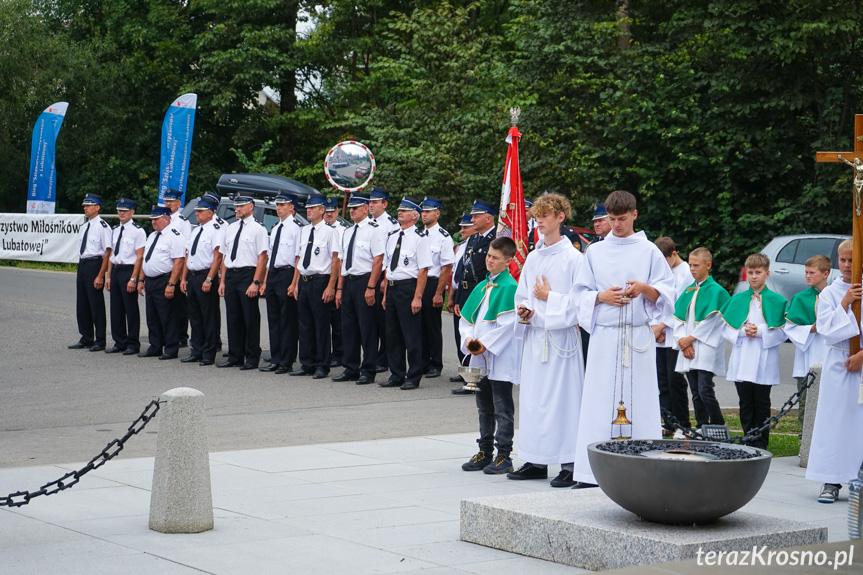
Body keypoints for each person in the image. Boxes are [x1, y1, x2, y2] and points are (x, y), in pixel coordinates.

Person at [572, 190, 674, 488]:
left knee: (641, 400)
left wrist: (644, 288)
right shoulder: (595, 251)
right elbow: (578, 294)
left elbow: (667, 295)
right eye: (611, 219)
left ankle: (645, 469)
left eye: (622, 218)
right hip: (605, 336)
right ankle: (591, 473)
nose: (616, 225)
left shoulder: (649, 251)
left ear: (634, 215)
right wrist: (600, 296)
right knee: (597, 400)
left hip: (637, 336)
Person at [511, 193, 585, 487]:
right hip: (535, 337)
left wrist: (548, 298)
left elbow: (580, 303)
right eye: (536, 215)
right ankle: (535, 458)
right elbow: (523, 294)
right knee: (534, 400)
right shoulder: (533, 256)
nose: (539, 220)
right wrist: (524, 310)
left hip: (561, 339)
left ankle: (570, 462)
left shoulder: (574, 259)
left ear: (560, 217)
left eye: (545, 215)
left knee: (564, 400)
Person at [806, 240, 863, 503]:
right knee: (835, 422)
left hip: (861, 361)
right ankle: (831, 480)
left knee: (858, 423)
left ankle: (858, 478)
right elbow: (826, 328)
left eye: (853, 259)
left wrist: (862, 354)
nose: (848, 265)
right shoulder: (829, 293)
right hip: (838, 361)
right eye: (843, 260)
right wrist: (845, 303)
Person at [460, 237, 520, 475]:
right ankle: (485, 450)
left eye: (495, 258)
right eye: (488, 256)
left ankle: (504, 455)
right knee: (483, 405)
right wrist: (468, 339)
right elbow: (467, 320)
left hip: (499, 356)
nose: (489, 261)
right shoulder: (482, 286)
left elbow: (509, 325)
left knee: (502, 406)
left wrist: (484, 344)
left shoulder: (510, 287)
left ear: (507, 262)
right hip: (479, 355)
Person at [720, 253, 788, 449]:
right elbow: (725, 327)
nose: (754, 276)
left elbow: (784, 331)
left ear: (767, 273)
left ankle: (761, 441)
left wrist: (760, 331)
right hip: (742, 356)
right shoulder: (738, 299)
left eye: (758, 272)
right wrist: (742, 332)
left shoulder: (777, 300)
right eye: (750, 272)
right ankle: (748, 439)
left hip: (764, 358)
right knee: (745, 401)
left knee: (761, 402)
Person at [673, 247, 730, 431]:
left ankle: (718, 423)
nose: (692, 269)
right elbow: (678, 318)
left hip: (705, 347)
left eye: (696, 265)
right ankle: (702, 425)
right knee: (695, 391)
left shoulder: (717, 291)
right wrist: (683, 341)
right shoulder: (689, 290)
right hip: (688, 347)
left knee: (705, 389)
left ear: (708, 265)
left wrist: (690, 339)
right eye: (690, 265)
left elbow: (713, 322)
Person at [333, 192, 385, 384]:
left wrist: (371, 286)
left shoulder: (374, 230)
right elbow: (342, 262)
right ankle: (350, 367)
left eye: (355, 208)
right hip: (349, 282)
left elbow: (378, 260)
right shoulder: (347, 232)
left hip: (365, 281)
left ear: (365, 208)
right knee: (348, 327)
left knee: (367, 327)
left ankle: (368, 369)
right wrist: (339, 289)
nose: (351, 211)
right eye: (350, 208)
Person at [380, 196, 431, 390]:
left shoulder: (420, 238)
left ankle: (414, 375)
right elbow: (387, 266)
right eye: (399, 209)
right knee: (392, 334)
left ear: (414, 215)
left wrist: (417, 297)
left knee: (411, 334)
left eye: (405, 210)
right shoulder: (392, 236)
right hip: (392, 287)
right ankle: (396, 374)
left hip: (408, 288)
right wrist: (385, 294)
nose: (399, 212)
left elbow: (423, 270)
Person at [289, 193, 340, 378]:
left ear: (322, 210)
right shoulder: (303, 231)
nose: (308, 211)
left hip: (320, 281)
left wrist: (331, 286)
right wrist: (295, 283)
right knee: (305, 325)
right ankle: (306, 362)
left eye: (312, 208)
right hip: (304, 280)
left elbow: (335, 261)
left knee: (321, 325)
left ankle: (322, 364)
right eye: (307, 208)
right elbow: (299, 258)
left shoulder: (330, 231)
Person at [217, 195, 269, 370]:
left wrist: (256, 281)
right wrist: (223, 281)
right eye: (236, 206)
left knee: (250, 317)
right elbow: (225, 256)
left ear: (251, 207)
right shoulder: (230, 228)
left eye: (241, 206)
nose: (238, 209)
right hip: (231, 274)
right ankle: (235, 355)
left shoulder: (258, 229)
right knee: (233, 317)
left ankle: (252, 356)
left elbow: (262, 257)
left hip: (248, 274)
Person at [451, 199, 497, 394]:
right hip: (467, 292)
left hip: (482, 292)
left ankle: (477, 377)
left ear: (488, 218)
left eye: (476, 216)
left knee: (479, 333)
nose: (472, 219)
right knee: (464, 333)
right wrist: (458, 298)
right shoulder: (474, 238)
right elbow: (463, 270)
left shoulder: (496, 238)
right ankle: (468, 371)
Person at [783, 255, 830, 427]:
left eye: (812, 272)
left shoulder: (835, 296)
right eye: (806, 272)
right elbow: (789, 328)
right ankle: (805, 440)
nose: (807, 276)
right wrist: (811, 328)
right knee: (805, 401)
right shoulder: (800, 298)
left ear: (825, 274)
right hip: (807, 355)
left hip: (829, 354)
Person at [652, 237, 692, 435]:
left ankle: (683, 423)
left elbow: (679, 304)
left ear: (674, 254)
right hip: (658, 334)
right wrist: (654, 327)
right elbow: (654, 299)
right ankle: (668, 422)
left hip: (674, 334)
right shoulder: (661, 270)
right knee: (662, 381)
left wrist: (661, 327)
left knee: (675, 380)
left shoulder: (686, 273)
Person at [260, 192, 302, 374]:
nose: (278, 208)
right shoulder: (276, 228)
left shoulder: (296, 229)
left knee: (288, 320)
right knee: (274, 318)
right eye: (277, 205)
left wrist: (294, 283)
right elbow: (270, 257)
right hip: (274, 274)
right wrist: (265, 280)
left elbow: (298, 258)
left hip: (287, 273)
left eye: (282, 205)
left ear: (291, 207)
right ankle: (275, 358)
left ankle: (287, 360)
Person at [136, 205, 186, 359]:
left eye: (156, 219)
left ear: (166, 218)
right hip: (151, 280)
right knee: (152, 315)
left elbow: (178, 262)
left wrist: (171, 284)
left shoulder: (174, 236)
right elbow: (146, 259)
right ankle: (155, 345)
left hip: (165, 279)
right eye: (152, 220)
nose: (153, 222)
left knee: (167, 315)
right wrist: (141, 280)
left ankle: (171, 348)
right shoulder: (152, 236)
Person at [179, 194, 223, 366]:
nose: (196, 213)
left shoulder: (216, 230)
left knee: (209, 316)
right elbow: (188, 255)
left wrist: (210, 278)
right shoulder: (196, 230)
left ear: (211, 212)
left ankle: (209, 352)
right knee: (195, 315)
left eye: (201, 211)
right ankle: (196, 349)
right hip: (193, 275)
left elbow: (217, 257)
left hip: (206, 275)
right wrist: (183, 278)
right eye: (197, 210)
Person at [69, 193, 113, 352]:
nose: (85, 208)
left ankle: (100, 340)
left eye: (88, 205)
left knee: (96, 304)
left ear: (97, 207)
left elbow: (108, 252)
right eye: (84, 206)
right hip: (83, 264)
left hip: (95, 264)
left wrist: (101, 275)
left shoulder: (103, 227)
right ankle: (86, 337)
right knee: (82, 303)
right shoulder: (85, 226)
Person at [105, 198, 146, 355]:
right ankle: (119, 341)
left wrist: (134, 278)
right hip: (116, 270)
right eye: (119, 210)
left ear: (132, 212)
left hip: (129, 271)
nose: (121, 213)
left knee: (130, 308)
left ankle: (133, 343)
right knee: (116, 308)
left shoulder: (138, 231)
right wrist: (108, 276)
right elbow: (111, 254)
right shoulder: (115, 230)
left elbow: (139, 257)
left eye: (125, 210)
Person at [420, 195, 455, 378]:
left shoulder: (443, 237)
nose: (423, 215)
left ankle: (435, 363)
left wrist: (439, 292)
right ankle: (422, 361)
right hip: (419, 282)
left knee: (432, 325)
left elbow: (446, 267)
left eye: (427, 212)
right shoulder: (418, 234)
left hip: (433, 282)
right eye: (423, 211)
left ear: (437, 213)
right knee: (419, 325)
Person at [369, 187, 399, 373]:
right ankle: (373, 356)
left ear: (385, 204)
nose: (371, 205)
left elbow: (391, 254)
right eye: (370, 202)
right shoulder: (368, 223)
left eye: (375, 202)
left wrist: (385, 279)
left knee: (383, 320)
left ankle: (384, 358)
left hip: (384, 273)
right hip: (370, 272)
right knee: (371, 320)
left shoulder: (391, 224)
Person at [447, 211, 477, 372]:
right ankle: (464, 369)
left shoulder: (476, 244)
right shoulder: (461, 247)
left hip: (473, 292)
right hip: (461, 292)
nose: (462, 230)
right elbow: (457, 274)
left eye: (466, 227)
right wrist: (452, 297)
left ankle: (472, 370)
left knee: (470, 333)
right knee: (460, 333)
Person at [163, 189, 192, 348]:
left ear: (179, 204)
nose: (168, 204)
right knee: (167, 304)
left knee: (180, 304)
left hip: (179, 266)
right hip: (165, 267)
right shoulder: (163, 219)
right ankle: (169, 333)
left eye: (171, 202)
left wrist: (182, 276)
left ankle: (181, 335)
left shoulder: (182, 222)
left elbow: (186, 249)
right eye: (166, 201)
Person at [325, 196, 349, 367]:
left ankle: (339, 353)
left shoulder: (342, 230)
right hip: (320, 277)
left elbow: (340, 259)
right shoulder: (316, 229)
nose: (329, 214)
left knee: (337, 320)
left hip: (337, 277)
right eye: (326, 211)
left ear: (337, 211)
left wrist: (337, 286)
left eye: (332, 211)